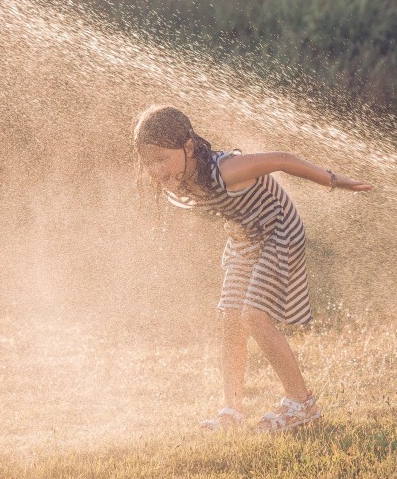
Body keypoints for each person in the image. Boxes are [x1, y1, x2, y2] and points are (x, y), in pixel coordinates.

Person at [134, 105, 372, 432]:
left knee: (253, 316)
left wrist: (333, 180)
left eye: (162, 159)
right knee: (231, 318)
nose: (156, 170)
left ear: (188, 147)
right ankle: (232, 410)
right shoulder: (181, 180)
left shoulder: (225, 170)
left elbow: (282, 160)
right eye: (149, 162)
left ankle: (302, 404)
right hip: (244, 239)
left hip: (279, 231)